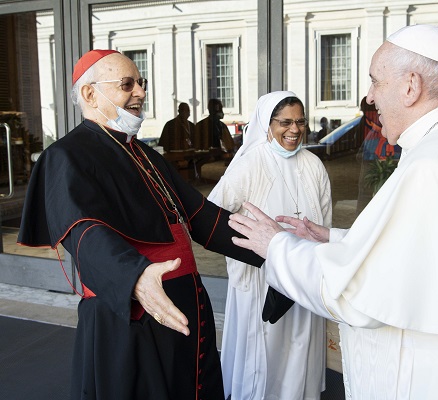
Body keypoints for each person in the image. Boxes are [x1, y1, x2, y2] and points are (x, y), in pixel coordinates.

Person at [227, 25, 438, 399]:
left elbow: (357, 292)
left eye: (375, 81)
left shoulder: (433, 161)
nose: (369, 97)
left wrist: (275, 245)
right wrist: (334, 237)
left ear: (411, 85)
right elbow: (421, 250)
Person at [17, 49, 264, 400]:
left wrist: (272, 245)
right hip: (133, 316)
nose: (141, 93)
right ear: (90, 94)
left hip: (184, 307)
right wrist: (133, 276)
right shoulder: (66, 155)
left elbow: (201, 218)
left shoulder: (146, 154)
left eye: (141, 83)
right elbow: (85, 233)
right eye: (127, 84)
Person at [208, 91, 331, 399]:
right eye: (285, 122)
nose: (294, 129)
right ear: (266, 124)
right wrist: (247, 250)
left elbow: (324, 221)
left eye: (300, 121)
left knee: (300, 343)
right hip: (262, 280)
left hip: (303, 274)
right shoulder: (251, 164)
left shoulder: (314, 165)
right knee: (266, 352)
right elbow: (213, 213)